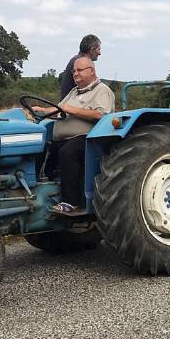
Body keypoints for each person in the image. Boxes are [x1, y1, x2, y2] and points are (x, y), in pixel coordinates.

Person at [32, 56, 115, 214]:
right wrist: (42, 110)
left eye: (79, 70)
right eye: (73, 71)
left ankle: (71, 202)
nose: (75, 74)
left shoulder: (102, 90)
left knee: (67, 152)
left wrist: (72, 109)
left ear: (91, 71)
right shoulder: (74, 92)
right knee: (40, 148)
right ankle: (39, 192)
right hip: (63, 139)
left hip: (89, 138)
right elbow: (60, 108)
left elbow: (101, 115)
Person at [60, 34, 101, 100]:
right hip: (72, 105)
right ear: (92, 49)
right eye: (98, 49)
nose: (99, 53)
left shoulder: (76, 60)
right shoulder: (80, 63)